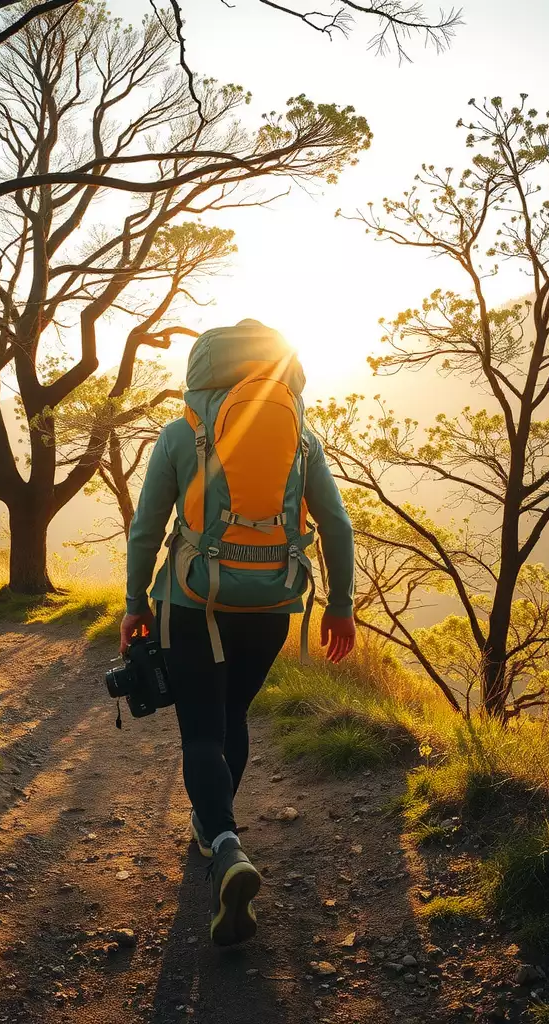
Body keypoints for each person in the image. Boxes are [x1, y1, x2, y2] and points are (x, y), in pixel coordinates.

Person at [119, 318, 355, 947]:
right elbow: (337, 524)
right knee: (235, 716)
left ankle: (224, 845)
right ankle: (213, 824)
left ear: (203, 370)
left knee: (200, 727)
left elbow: (146, 530)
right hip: (272, 603)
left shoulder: (180, 434)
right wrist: (340, 605)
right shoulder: (302, 439)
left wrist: (133, 601)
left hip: (190, 603)